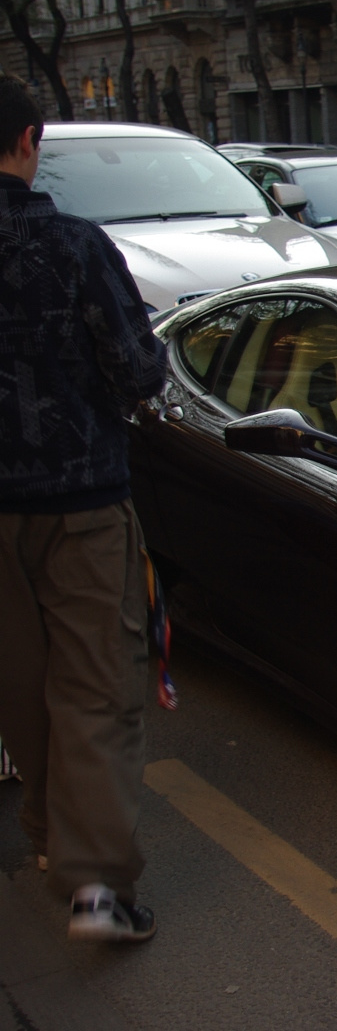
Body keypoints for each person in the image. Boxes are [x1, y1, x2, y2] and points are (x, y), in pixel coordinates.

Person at [0, 76, 168, 943]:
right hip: (83, 504)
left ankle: (43, 840)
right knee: (94, 689)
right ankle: (95, 888)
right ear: (29, 140)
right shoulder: (73, 245)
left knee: (19, 687)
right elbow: (139, 371)